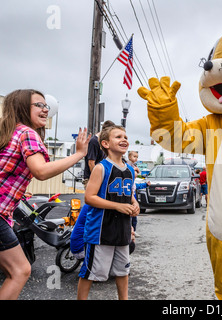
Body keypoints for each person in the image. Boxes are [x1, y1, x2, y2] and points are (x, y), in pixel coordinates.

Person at [0, 89, 90, 300]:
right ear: (22, 107)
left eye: (46, 106)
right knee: (20, 270)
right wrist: (78, 154)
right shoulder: (27, 133)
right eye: (38, 105)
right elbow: (40, 171)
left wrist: (18, 192)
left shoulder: (9, 132)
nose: (45, 109)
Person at [77, 125, 139, 300]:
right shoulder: (100, 167)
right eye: (118, 136)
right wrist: (117, 206)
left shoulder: (129, 170)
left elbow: (129, 193)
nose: (124, 139)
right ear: (105, 143)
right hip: (100, 231)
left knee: (123, 270)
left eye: (125, 136)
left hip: (123, 229)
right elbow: (89, 197)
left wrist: (134, 203)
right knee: (91, 272)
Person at [83, 120, 115, 188]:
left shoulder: (104, 142)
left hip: (102, 178)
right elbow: (91, 162)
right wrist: (97, 178)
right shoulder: (94, 141)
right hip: (92, 178)